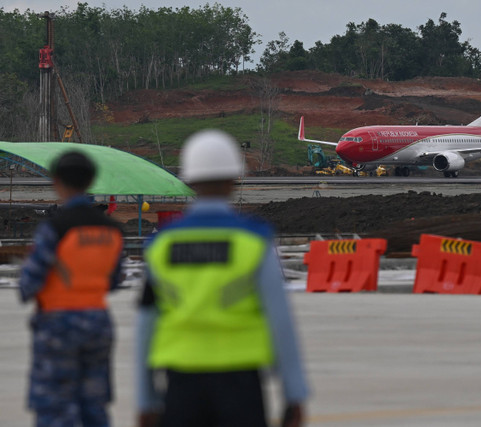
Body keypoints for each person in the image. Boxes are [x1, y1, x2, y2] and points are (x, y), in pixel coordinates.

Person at [136, 130, 309, 427]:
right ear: (234, 180)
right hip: (240, 382)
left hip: (181, 382)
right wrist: (294, 392)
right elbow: (280, 319)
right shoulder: (254, 241)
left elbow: (146, 325)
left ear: (189, 180)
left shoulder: (162, 245)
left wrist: (146, 398)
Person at [18, 151, 124, 427]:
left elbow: (29, 283)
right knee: (94, 406)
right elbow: (114, 280)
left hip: (58, 325)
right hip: (98, 323)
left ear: (57, 182)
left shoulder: (54, 227)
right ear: (91, 180)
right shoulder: (112, 229)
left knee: (55, 408)